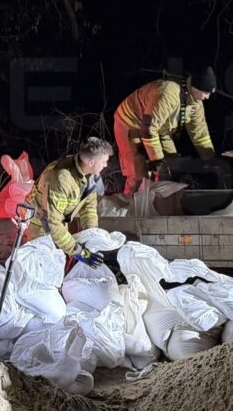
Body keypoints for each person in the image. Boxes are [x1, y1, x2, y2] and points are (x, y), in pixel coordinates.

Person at [113, 67, 216, 195]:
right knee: (139, 171)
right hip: (131, 124)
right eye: (206, 93)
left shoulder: (196, 104)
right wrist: (158, 162)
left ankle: (160, 204)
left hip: (159, 130)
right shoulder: (168, 93)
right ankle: (131, 205)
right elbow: (148, 130)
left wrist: (211, 160)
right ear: (195, 88)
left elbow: (200, 135)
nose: (208, 97)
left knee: (172, 165)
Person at [26, 137, 113, 266]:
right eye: (104, 161)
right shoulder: (61, 178)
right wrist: (80, 252)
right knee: (44, 268)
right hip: (39, 223)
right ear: (91, 162)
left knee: (59, 263)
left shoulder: (90, 175)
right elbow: (53, 223)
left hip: (57, 221)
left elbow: (88, 208)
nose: (106, 165)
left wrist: (91, 237)